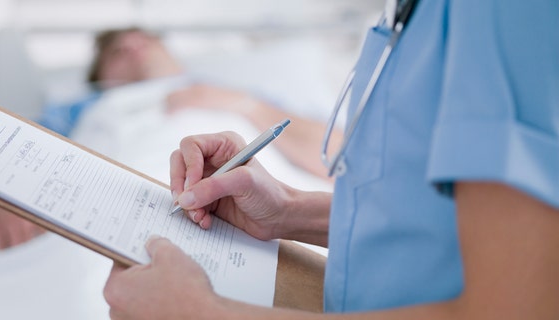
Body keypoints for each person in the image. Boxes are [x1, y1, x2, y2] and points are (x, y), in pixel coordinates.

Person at [103, 0, 559, 319]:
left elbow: (518, 309)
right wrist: (289, 210)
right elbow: (437, 220)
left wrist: (203, 315)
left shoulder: (505, 11)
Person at [0, 27, 339, 249]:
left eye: (145, 40)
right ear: (102, 75)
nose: (135, 48)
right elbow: (9, 144)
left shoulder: (236, 93)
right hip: (107, 210)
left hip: (256, 212)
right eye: (118, 52)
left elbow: (339, 157)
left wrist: (246, 105)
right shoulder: (84, 106)